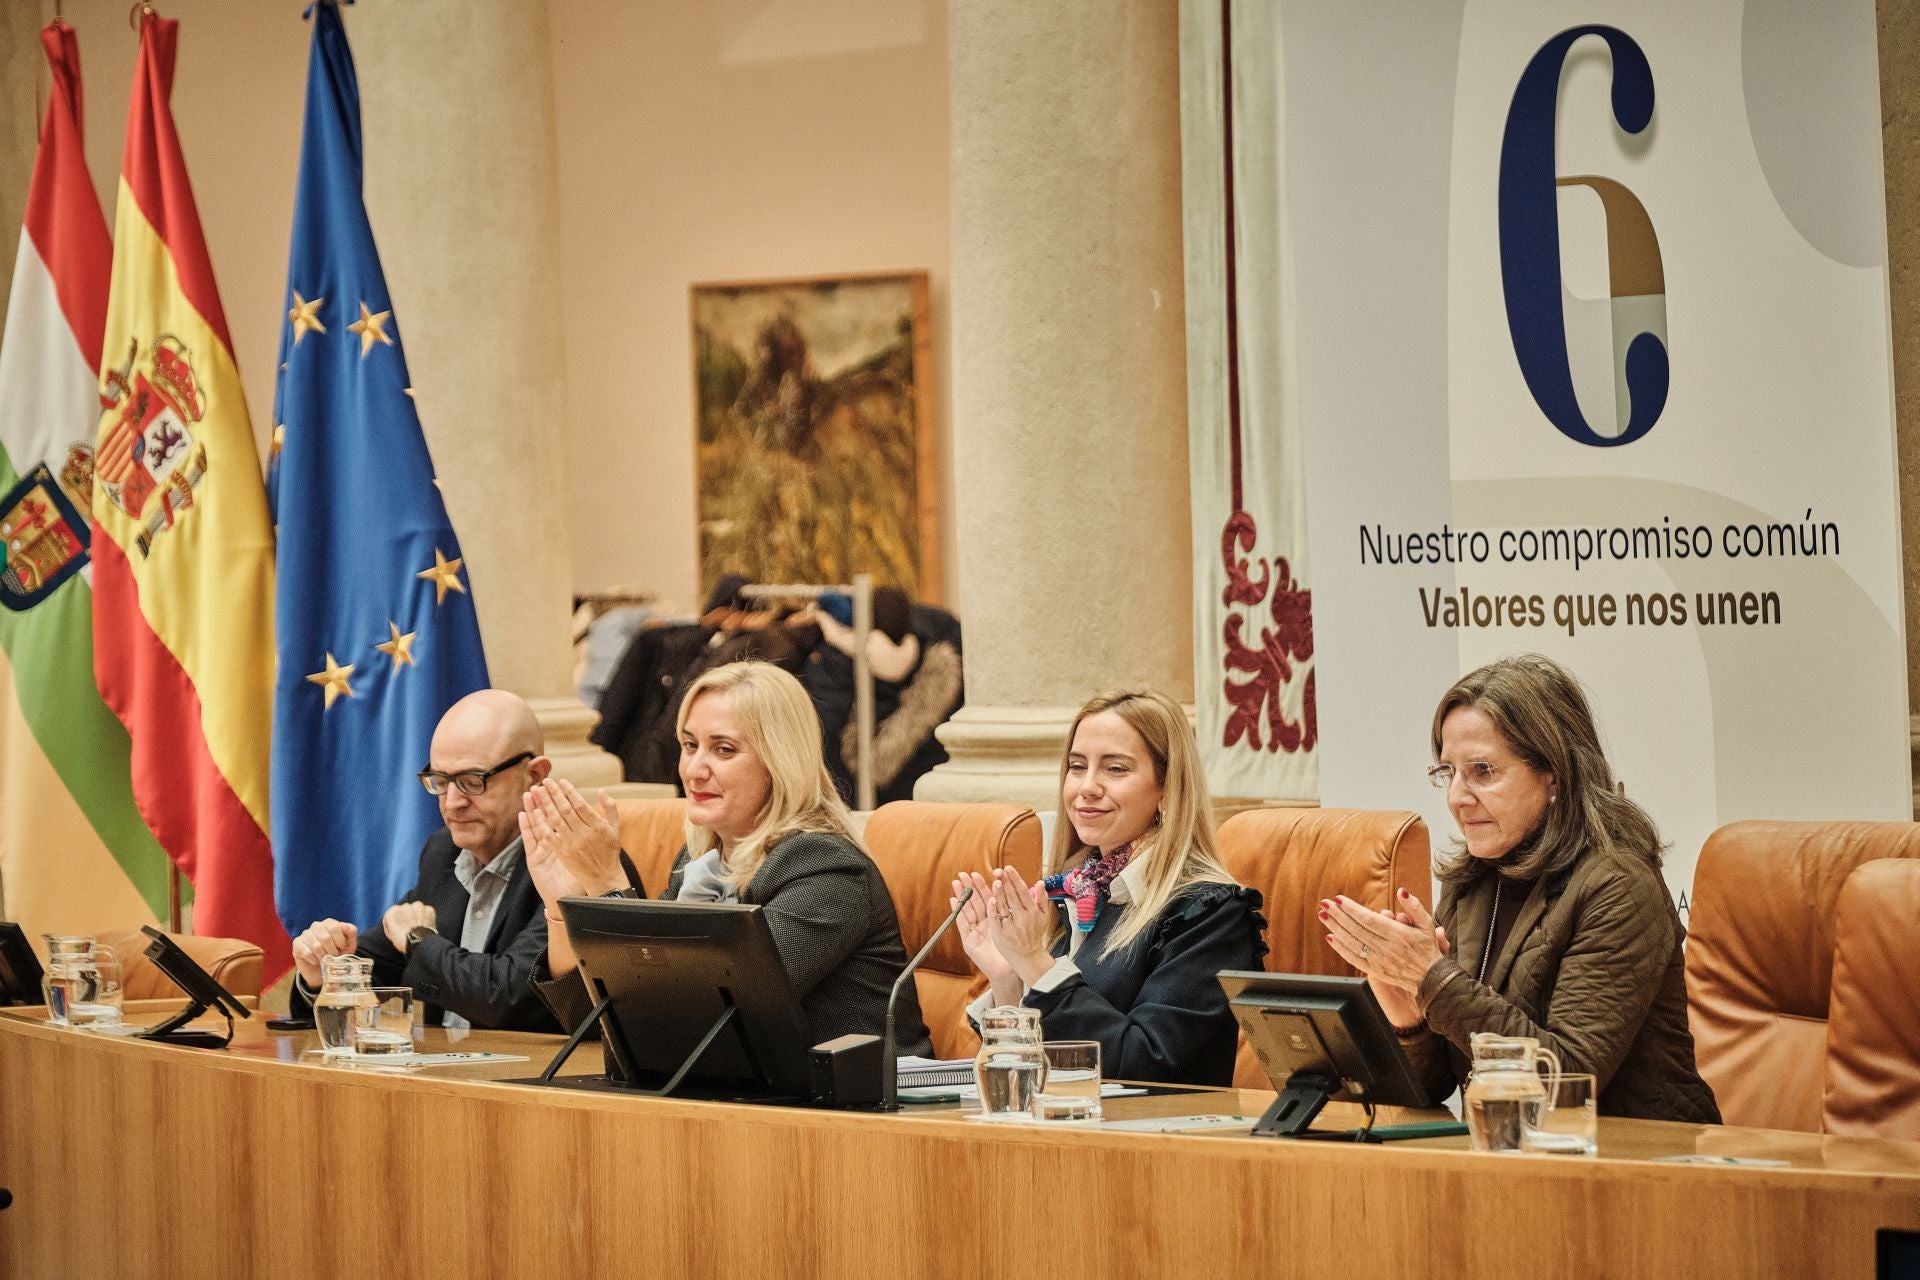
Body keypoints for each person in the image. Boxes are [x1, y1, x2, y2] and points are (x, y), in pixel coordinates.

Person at [1321, 653, 1720, 1123]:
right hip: (1512, 1159)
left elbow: (1565, 1082)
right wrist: (1407, 1015)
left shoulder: (1618, 886)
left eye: (1483, 771)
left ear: (1553, 774)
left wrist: (1434, 979)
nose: (1456, 797)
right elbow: (1436, 1085)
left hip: (1641, 1165)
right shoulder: (1475, 878)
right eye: (1448, 772)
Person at [524, 660, 932, 1057]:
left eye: (723, 749)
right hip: (750, 1105)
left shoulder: (824, 868)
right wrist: (562, 908)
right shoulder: (701, 860)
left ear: (779, 761)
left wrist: (608, 885)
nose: (694, 769)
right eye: (689, 745)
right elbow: (591, 1022)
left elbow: (700, 1022)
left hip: (854, 1116)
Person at [952, 689, 1267, 1086]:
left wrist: (1035, 963)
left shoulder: (1210, 912)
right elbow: (1025, 1081)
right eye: (1077, 766)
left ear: (1167, 787)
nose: (1087, 786)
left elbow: (1143, 1063)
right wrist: (1007, 976)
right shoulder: (1078, 891)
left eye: (1115, 769)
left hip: (1158, 1140)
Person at [289, 690, 563, 1032]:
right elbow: (379, 962)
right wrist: (323, 974)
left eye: (472, 781)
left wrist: (419, 939)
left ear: (535, 775)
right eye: (440, 781)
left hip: (535, 1080)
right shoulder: (444, 853)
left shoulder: (573, 862)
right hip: (447, 1076)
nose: (452, 803)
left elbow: (512, 998)